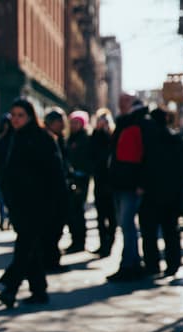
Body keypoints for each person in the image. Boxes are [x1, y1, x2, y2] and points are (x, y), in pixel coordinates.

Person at [0, 98, 66, 308]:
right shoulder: (6, 140)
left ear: (30, 116)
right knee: (30, 246)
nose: (16, 119)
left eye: (20, 115)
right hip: (16, 204)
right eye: (13, 115)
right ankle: (39, 290)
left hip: (39, 203)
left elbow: (56, 173)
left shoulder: (43, 138)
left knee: (25, 244)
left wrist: (59, 203)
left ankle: (10, 287)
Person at [107, 94, 156, 282]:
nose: (121, 105)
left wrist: (141, 183)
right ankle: (131, 262)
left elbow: (145, 157)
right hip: (122, 183)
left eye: (125, 102)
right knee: (126, 225)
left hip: (131, 185)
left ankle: (129, 265)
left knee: (127, 225)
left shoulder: (139, 125)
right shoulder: (126, 124)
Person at [138, 108, 183, 277]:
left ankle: (152, 265)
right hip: (171, 193)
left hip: (151, 192)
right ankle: (173, 264)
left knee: (149, 231)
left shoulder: (147, 140)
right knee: (171, 229)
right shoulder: (176, 138)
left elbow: (142, 165)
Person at [42, 107, 69, 272]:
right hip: (50, 192)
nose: (62, 125)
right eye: (60, 122)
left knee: (56, 227)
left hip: (60, 189)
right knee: (52, 228)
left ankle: (52, 259)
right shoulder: (46, 139)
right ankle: (50, 261)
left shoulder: (60, 139)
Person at [90, 108, 117, 257]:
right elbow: (91, 153)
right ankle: (103, 245)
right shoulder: (95, 136)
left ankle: (110, 243)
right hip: (99, 182)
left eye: (105, 121)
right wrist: (97, 131)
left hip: (112, 183)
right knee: (100, 217)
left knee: (111, 217)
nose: (103, 123)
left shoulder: (113, 136)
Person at [65, 110, 92, 253]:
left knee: (78, 210)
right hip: (71, 177)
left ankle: (80, 241)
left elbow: (88, 161)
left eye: (77, 122)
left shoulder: (85, 138)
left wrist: (81, 173)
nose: (74, 125)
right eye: (72, 122)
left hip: (81, 179)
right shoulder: (71, 138)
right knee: (72, 211)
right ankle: (75, 240)